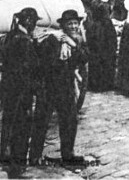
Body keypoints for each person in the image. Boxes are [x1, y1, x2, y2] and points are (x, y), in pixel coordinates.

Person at [33, 10, 88, 166]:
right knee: (42, 121)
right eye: (70, 24)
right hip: (49, 86)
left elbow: (84, 58)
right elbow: (46, 63)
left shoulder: (77, 40)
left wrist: (73, 45)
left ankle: (68, 155)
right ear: (63, 25)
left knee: (70, 120)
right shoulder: (53, 39)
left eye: (76, 23)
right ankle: (35, 156)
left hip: (65, 87)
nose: (73, 26)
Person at [0, 7, 41, 176]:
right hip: (21, 91)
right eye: (34, 22)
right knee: (21, 128)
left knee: (9, 123)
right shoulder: (24, 41)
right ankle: (16, 169)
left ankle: (6, 160)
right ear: (29, 22)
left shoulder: (11, 36)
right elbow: (28, 69)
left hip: (9, 89)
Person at [86, 0, 117, 92]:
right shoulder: (100, 4)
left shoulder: (99, 2)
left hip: (99, 29)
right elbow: (105, 19)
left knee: (101, 56)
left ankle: (101, 82)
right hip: (102, 31)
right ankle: (102, 83)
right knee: (103, 55)